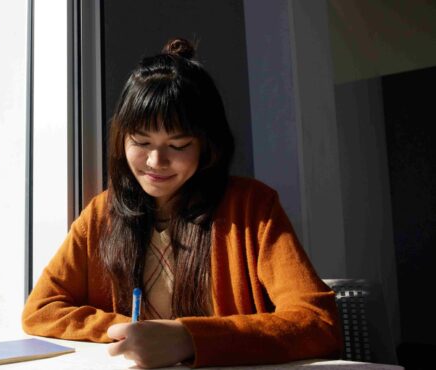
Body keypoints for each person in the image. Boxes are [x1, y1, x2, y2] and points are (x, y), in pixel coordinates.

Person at [21, 38, 342, 368]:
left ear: (207, 144)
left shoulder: (252, 208)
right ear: (122, 140)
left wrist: (189, 338)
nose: (156, 161)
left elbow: (318, 322)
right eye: (141, 142)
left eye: (178, 145)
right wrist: (129, 331)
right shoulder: (102, 214)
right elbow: (41, 309)